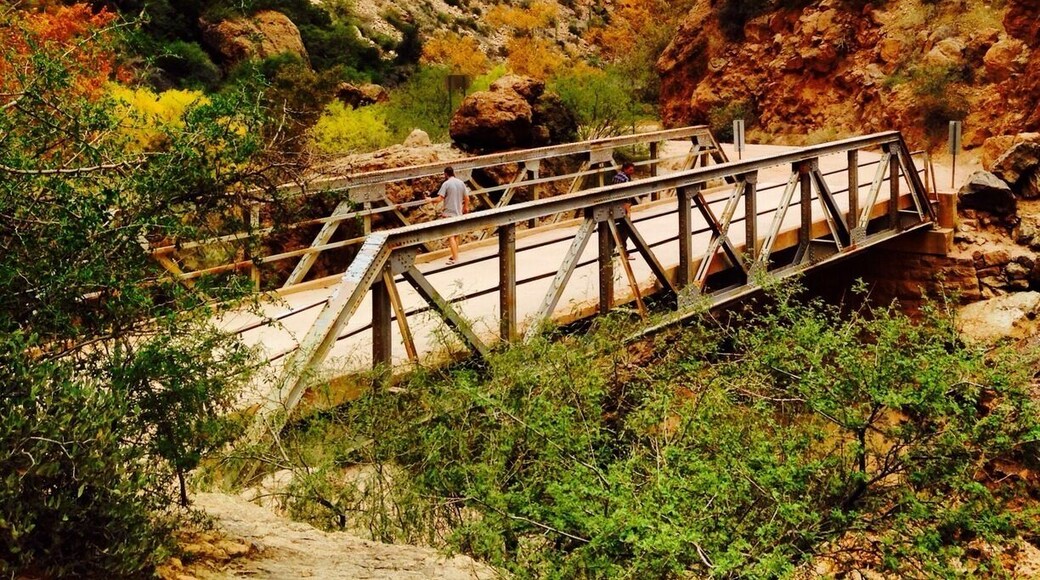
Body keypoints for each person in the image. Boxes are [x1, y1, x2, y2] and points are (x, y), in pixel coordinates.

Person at [429, 166, 469, 264]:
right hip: (458, 212)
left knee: (451, 236)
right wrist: (465, 208)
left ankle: (455, 259)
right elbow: (467, 198)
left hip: (449, 213)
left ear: (446, 174)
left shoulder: (446, 184)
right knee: (456, 235)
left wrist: (430, 200)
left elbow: (439, 199)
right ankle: (455, 254)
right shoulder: (460, 183)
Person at [612, 162, 637, 260]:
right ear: (625, 169)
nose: (632, 172)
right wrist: (628, 210)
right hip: (623, 208)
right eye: (630, 170)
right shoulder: (626, 179)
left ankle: (611, 251)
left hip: (615, 207)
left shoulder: (615, 177)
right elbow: (627, 195)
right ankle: (625, 253)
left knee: (616, 229)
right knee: (624, 231)